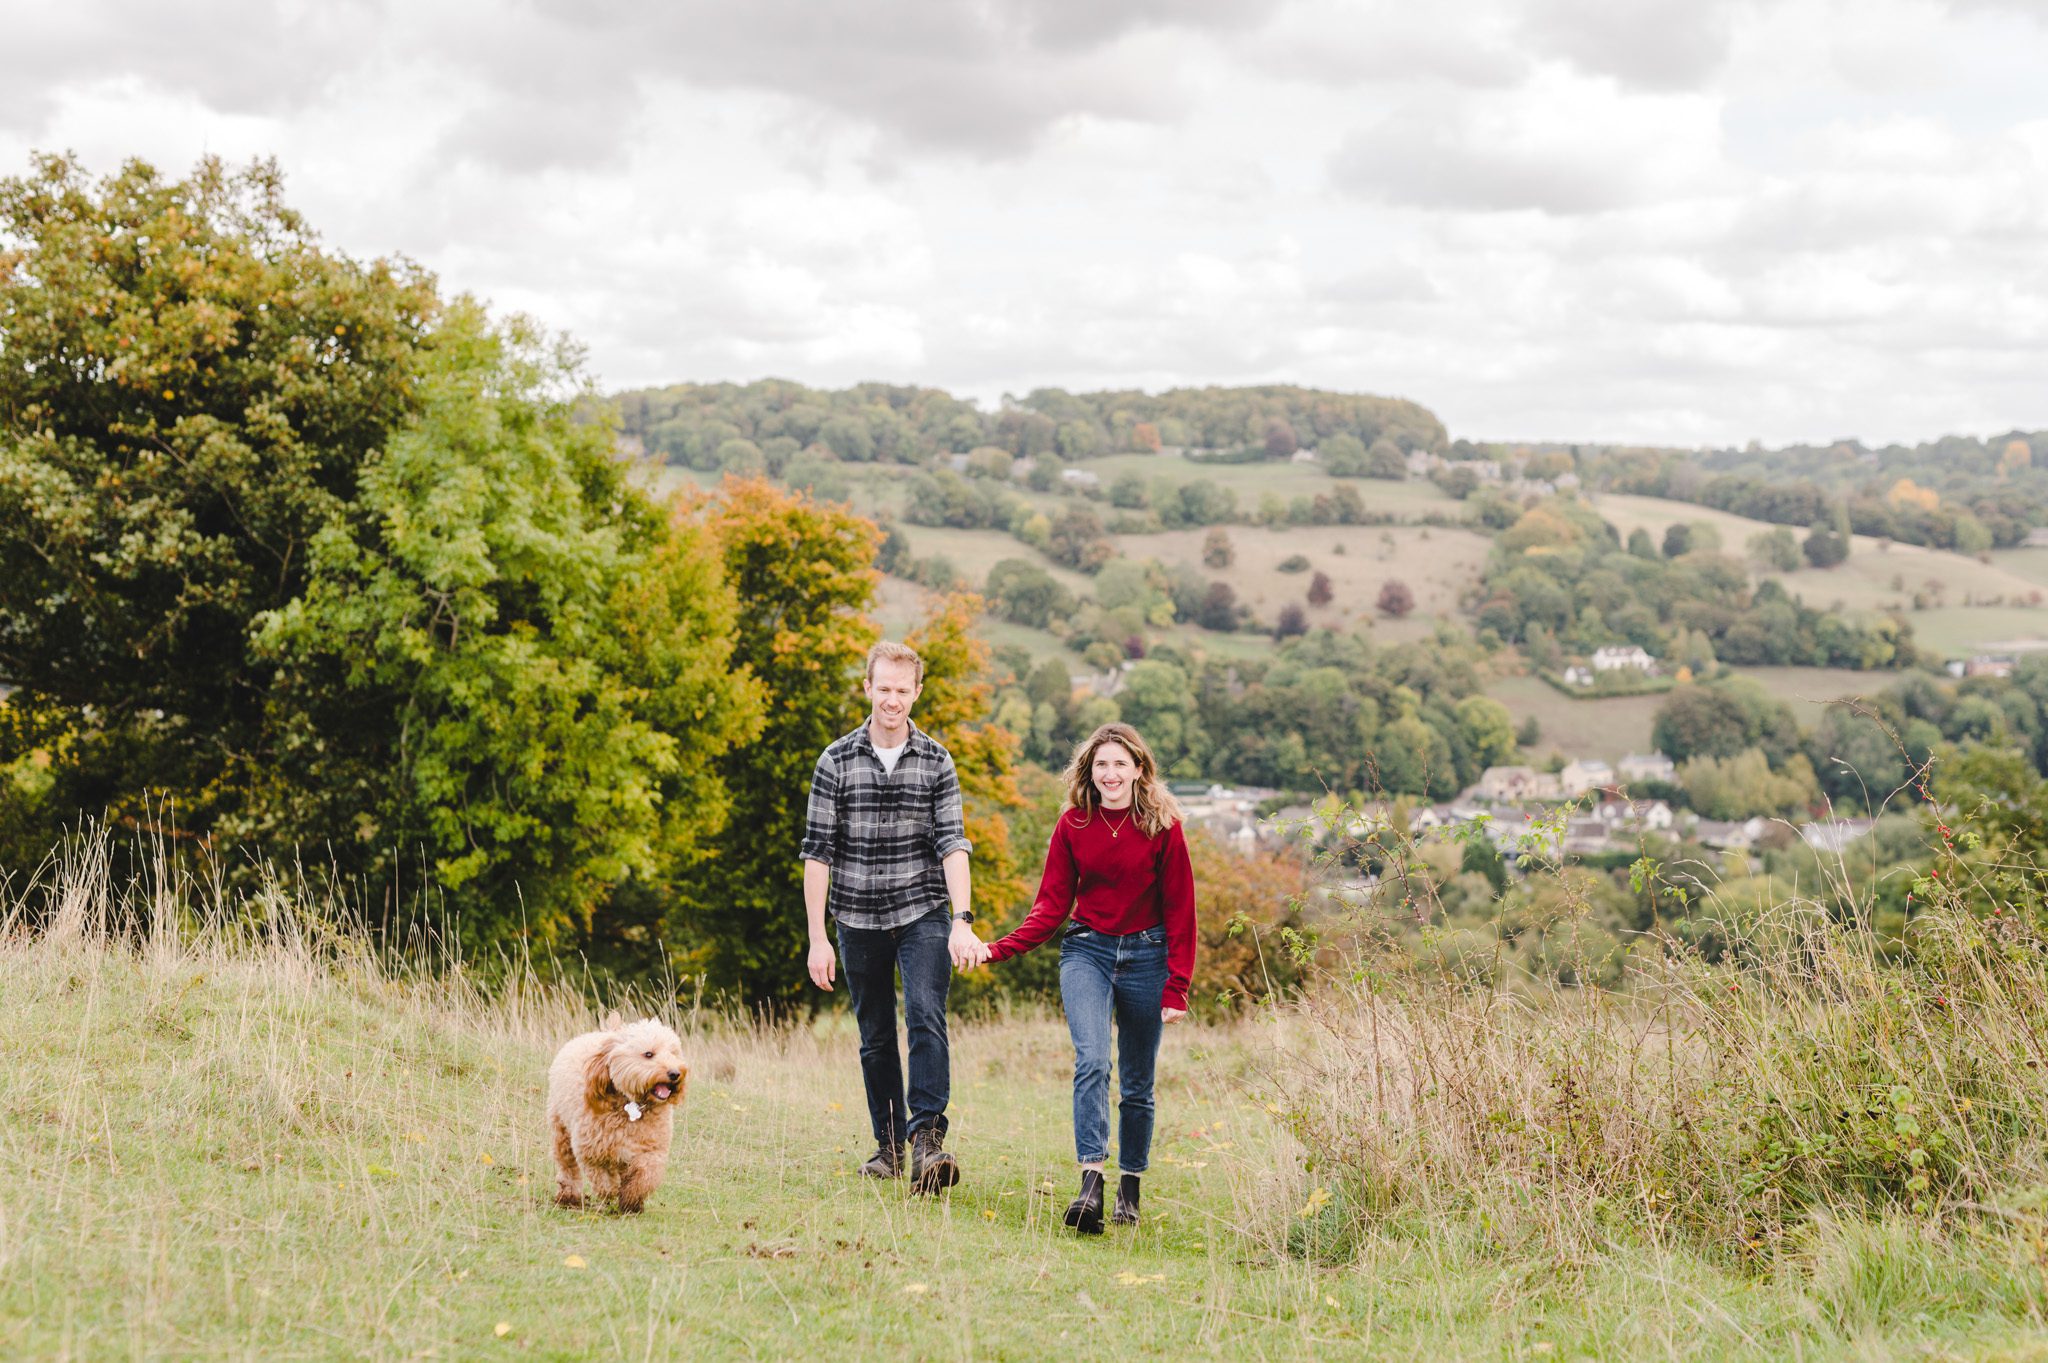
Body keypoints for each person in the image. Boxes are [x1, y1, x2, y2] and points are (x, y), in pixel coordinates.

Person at [970, 722, 1195, 1234]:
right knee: (1092, 1060)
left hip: (1147, 955)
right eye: (1101, 765)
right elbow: (1050, 907)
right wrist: (998, 949)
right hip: (1086, 951)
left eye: (1120, 764)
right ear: (1088, 773)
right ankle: (1090, 1183)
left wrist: (1177, 984)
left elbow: (1181, 909)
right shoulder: (1072, 825)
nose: (1110, 774)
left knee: (1138, 1084)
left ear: (1139, 769)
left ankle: (1130, 1185)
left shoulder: (1165, 827)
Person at [800, 641, 983, 1194]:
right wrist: (817, 938)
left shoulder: (936, 760)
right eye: (884, 689)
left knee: (926, 1015)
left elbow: (953, 842)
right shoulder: (836, 760)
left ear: (916, 693)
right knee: (875, 1035)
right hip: (855, 917)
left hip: (922, 909)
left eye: (903, 691)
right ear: (867, 688)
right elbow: (817, 852)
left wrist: (962, 918)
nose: (893, 700)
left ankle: (928, 1140)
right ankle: (890, 1148)